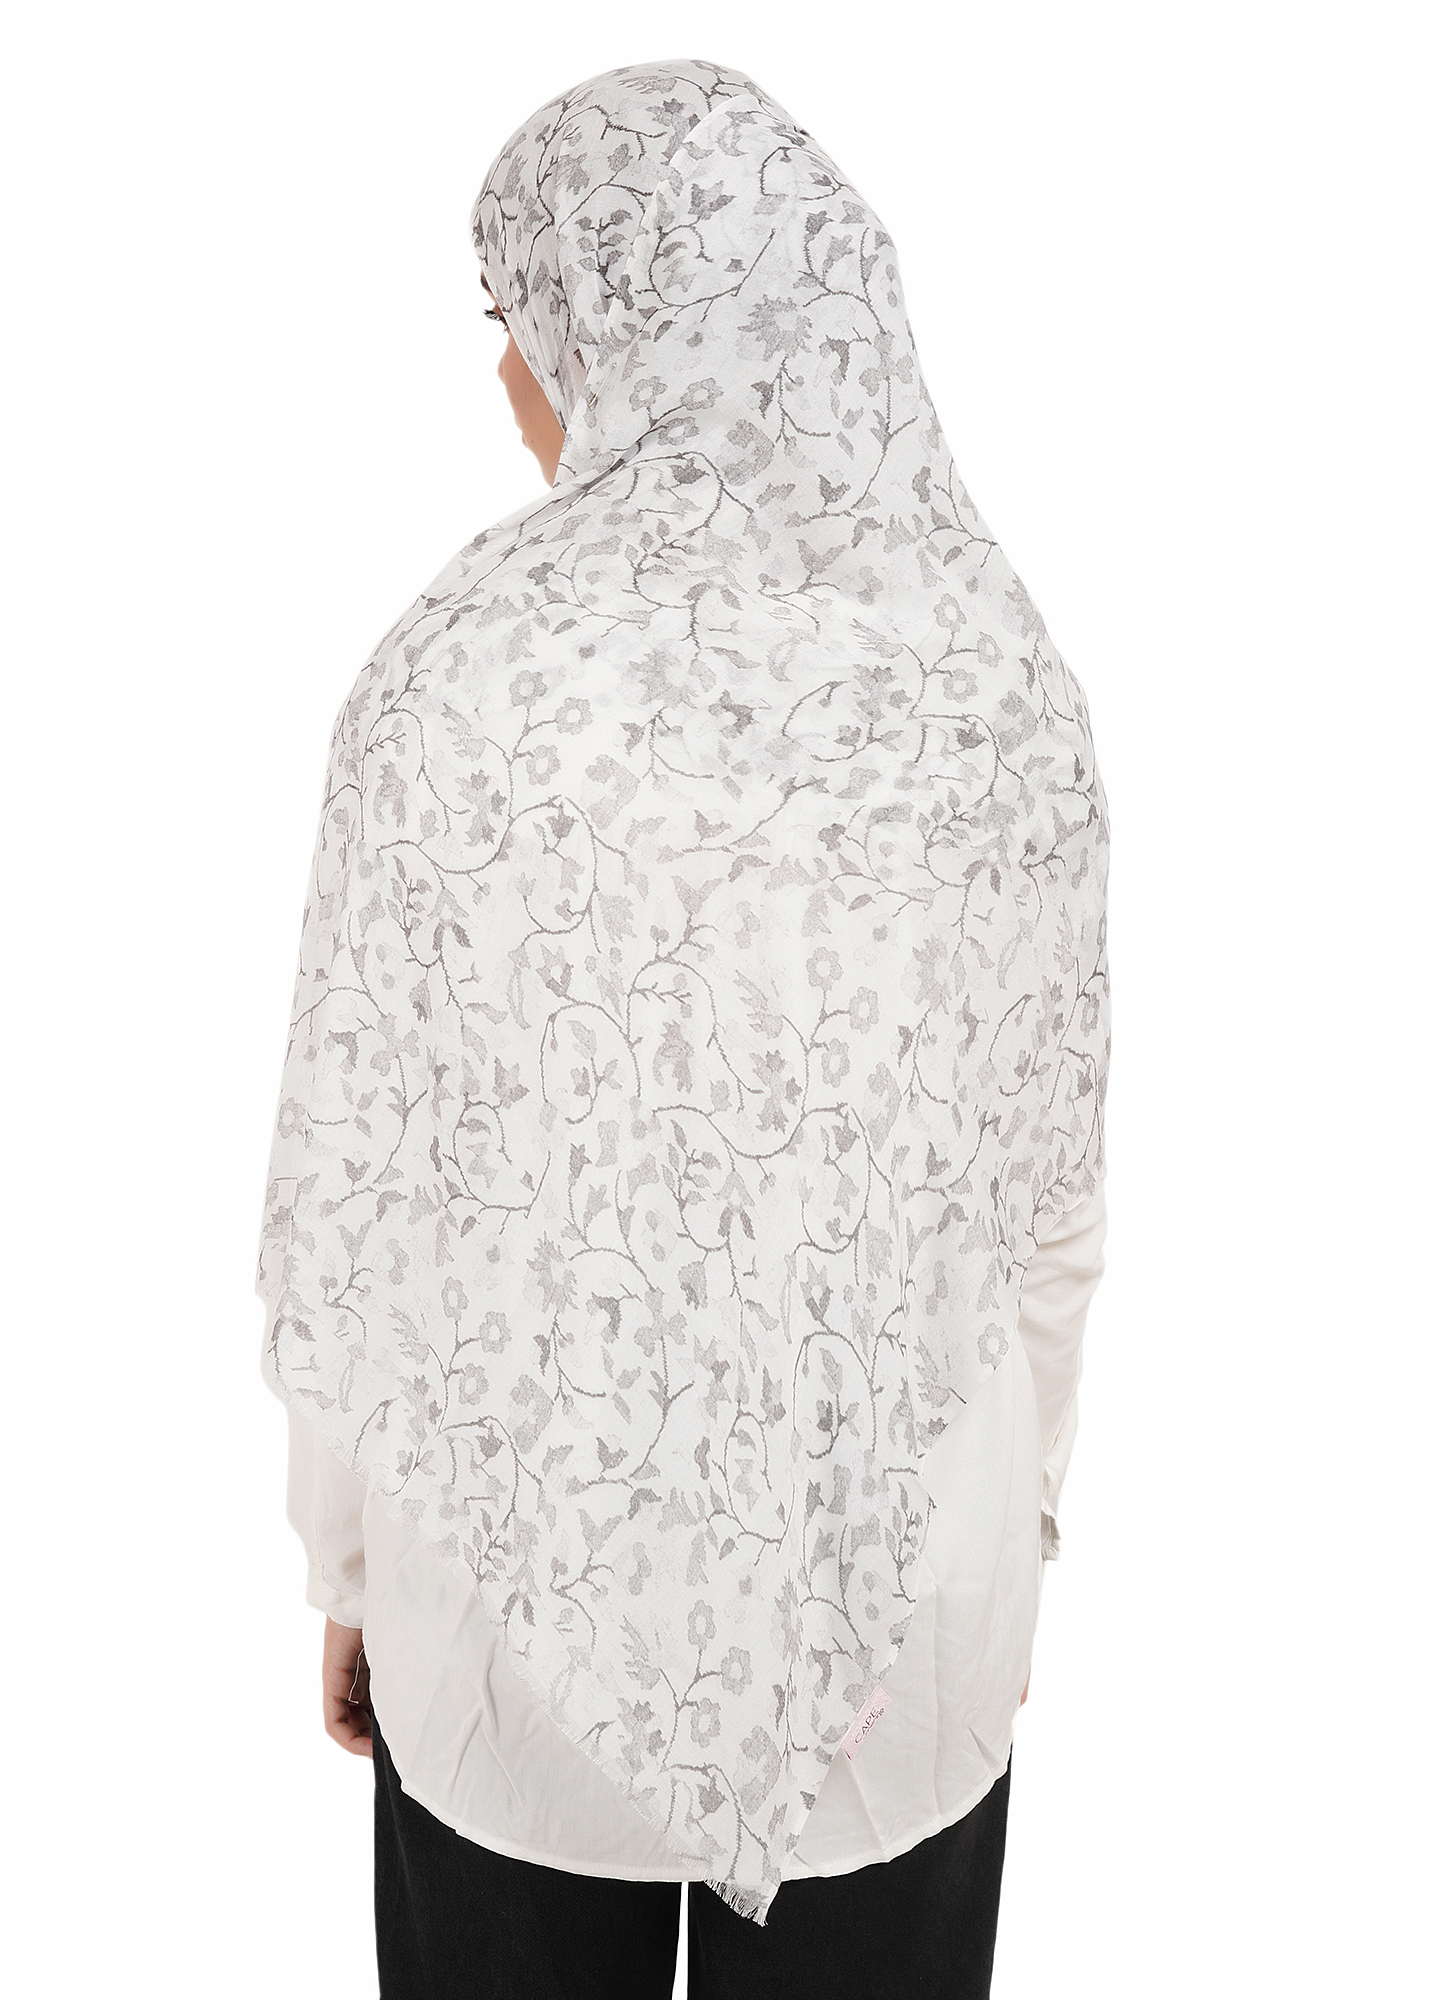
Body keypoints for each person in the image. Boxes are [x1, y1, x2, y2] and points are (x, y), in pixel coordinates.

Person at [260, 59, 1111, 1998]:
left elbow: (369, 1197)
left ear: (625, 313)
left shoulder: (454, 686)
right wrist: (1021, 1537)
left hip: (512, 1623)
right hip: (900, 1629)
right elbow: (1043, 1208)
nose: (513, 375)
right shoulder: (995, 683)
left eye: (518, 314)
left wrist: (351, 1571)